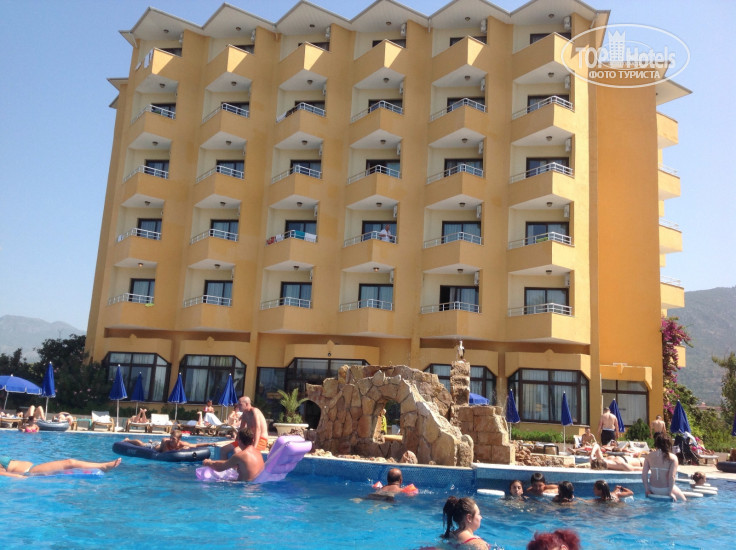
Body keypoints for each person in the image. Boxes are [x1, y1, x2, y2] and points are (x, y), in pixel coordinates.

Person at [642, 433, 687, 501]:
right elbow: (672, 476)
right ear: (668, 444)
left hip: (653, 488)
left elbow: (644, 474)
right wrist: (670, 492)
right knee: (684, 501)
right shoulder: (673, 458)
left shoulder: (649, 456)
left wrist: (647, 489)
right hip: (666, 489)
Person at [0, 455, 121, 478]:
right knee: (69, 463)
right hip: (30, 471)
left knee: (69, 463)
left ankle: (103, 466)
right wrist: (19, 476)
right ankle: (104, 466)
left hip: (33, 467)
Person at [124, 429, 211, 453]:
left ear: (179, 439)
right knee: (141, 444)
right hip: (155, 446)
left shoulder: (182, 443)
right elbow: (166, 453)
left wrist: (211, 443)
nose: (171, 440)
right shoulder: (166, 441)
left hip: (159, 444)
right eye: (171, 438)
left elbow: (196, 445)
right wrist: (180, 450)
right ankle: (128, 440)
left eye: (174, 439)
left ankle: (151, 441)